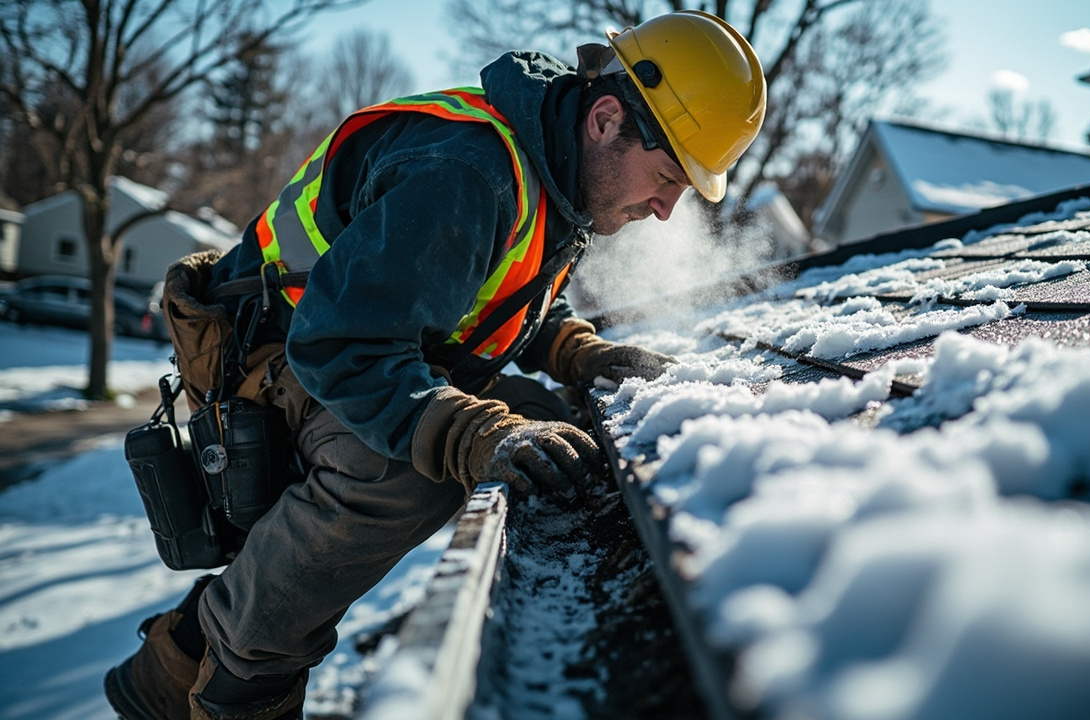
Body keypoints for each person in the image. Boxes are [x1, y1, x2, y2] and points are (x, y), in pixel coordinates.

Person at [105, 10, 765, 720]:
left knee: (546, 429)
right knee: (408, 468)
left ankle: (171, 664)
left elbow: (498, 295)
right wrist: (471, 433)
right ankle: (242, 681)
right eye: (666, 178)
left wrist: (577, 352)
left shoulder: (553, 169)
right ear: (606, 119)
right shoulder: (467, 172)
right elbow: (341, 346)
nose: (666, 210)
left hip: (350, 342)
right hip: (279, 355)